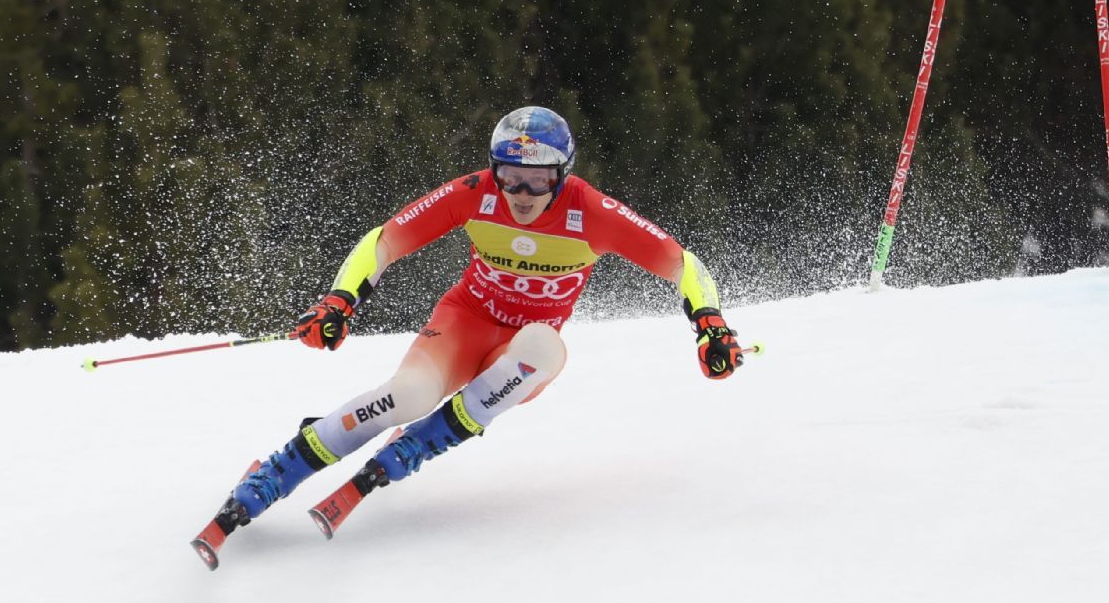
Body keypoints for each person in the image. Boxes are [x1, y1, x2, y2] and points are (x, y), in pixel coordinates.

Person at [204, 106, 746, 535]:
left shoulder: (592, 213)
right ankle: (281, 468)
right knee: (409, 394)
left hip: (519, 352)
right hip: (465, 322)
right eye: (511, 177)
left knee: (542, 347)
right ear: (494, 169)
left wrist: (710, 323)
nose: (522, 195)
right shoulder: (475, 193)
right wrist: (341, 299)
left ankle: (419, 443)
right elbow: (385, 240)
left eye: (538, 180)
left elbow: (682, 263)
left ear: (563, 175)